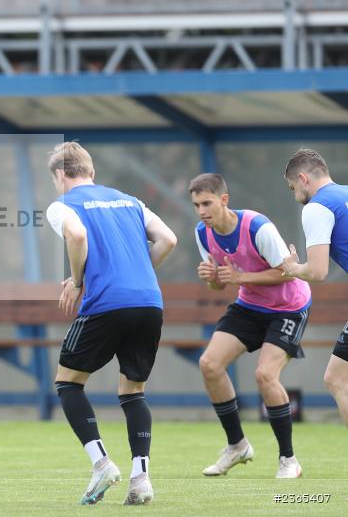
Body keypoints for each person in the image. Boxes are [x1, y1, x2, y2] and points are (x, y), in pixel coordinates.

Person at [45, 142, 177, 505]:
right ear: (91, 171)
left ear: (60, 175)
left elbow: (77, 235)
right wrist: (139, 274)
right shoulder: (129, 200)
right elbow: (168, 239)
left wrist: (76, 280)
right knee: (133, 391)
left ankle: (101, 462)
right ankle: (141, 479)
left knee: (68, 383)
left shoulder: (62, 205)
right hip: (149, 301)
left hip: (105, 303)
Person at [190, 173, 307, 478]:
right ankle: (237, 446)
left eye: (207, 203)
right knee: (210, 364)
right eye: (196, 205)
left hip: (288, 308)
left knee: (265, 375)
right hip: (250, 306)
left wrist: (240, 279)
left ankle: (288, 460)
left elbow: (289, 273)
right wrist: (212, 279)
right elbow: (220, 286)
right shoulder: (203, 234)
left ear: (224, 200)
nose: (202, 211)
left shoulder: (257, 226)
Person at [281, 148, 348, 426]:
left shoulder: (317, 207)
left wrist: (292, 269)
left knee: (337, 378)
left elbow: (318, 271)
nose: (295, 195)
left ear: (302, 178)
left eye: (292, 188)